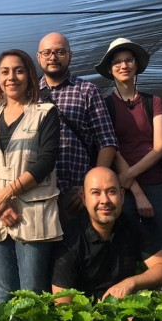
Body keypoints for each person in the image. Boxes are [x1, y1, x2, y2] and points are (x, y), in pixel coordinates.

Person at [0, 49, 62, 303]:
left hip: (32, 214)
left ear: (30, 76)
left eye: (19, 70)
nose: (12, 77)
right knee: (2, 295)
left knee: (32, 292)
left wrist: (6, 195)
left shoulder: (45, 113)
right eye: (4, 72)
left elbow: (46, 160)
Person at [95, 38, 162, 258]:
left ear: (136, 65)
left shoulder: (154, 102)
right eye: (117, 62)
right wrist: (136, 191)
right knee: (126, 247)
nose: (124, 66)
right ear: (110, 70)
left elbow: (159, 147)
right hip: (123, 189)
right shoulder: (106, 105)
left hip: (157, 183)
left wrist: (129, 175)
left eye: (128, 60)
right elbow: (111, 147)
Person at [52, 167, 162, 302]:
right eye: (96, 193)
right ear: (83, 198)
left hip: (125, 306)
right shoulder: (71, 240)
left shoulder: (130, 225)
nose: (105, 200)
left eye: (111, 192)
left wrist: (130, 283)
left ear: (122, 196)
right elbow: (63, 303)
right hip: (87, 314)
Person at [36, 32, 118, 230]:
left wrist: (90, 188)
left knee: (81, 253)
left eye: (60, 52)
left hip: (77, 193)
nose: (53, 57)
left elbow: (107, 142)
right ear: (38, 57)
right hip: (39, 192)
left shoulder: (87, 90)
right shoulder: (30, 95)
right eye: (47, 52)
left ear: (70, 55)